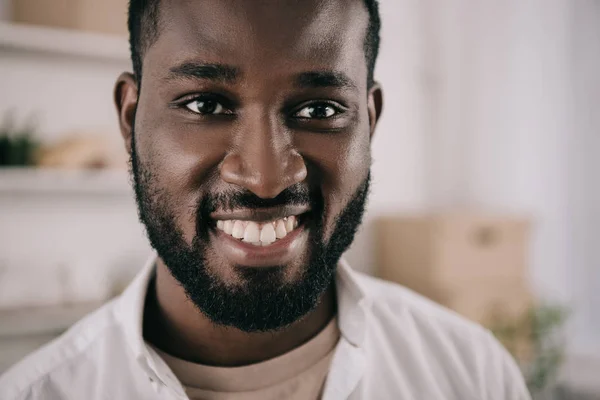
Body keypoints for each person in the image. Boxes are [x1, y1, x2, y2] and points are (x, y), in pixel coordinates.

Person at [0, 0, 531, 399]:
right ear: (130, 118)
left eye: (321, 110)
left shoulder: (472, 374)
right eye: (205, 103)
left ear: (369, 123)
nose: (265, 177)